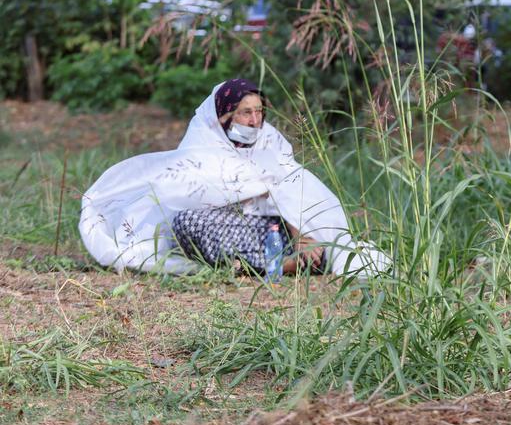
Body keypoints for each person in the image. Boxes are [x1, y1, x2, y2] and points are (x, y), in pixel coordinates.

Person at [80, 78, 390, 277]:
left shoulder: (269, 144)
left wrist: (303, 234)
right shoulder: (202, 145)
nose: (255, 120)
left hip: (280, 231)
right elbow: (179, 191)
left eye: (259, 111)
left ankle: (300, 261)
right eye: (245, 112)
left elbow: (288, 189)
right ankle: (281, 267)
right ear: (224, 115)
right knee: (190, 221)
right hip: (222, 233)